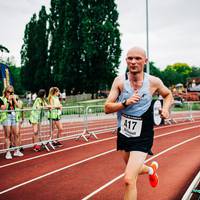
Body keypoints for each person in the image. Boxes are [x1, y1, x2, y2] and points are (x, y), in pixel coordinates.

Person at [104, 47, 173, 200]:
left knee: (129, 179)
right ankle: (150, 170)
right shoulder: (120, 81)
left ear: (145, 61)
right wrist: (125, 103)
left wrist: (166, 109)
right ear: (126, 60)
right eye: (130, 58)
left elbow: (168, 95)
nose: (133, 62)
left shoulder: (153, 82)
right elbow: (107, 107)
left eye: (137, 58)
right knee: (134, 169)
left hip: (143, 135)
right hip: (124, 133)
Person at [0, 85, 24, 159]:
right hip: (6, 117)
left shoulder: (14, 98)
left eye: (11, 92)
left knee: (16, 134)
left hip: (14, 117)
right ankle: (8, 152)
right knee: (8, 135)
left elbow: (19, 106)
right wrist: (8, 101)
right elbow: (3, 108)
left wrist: (14, 100)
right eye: (8, 92)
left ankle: (16, 150)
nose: (10, 93)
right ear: (5, 92)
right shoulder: (1, 99)